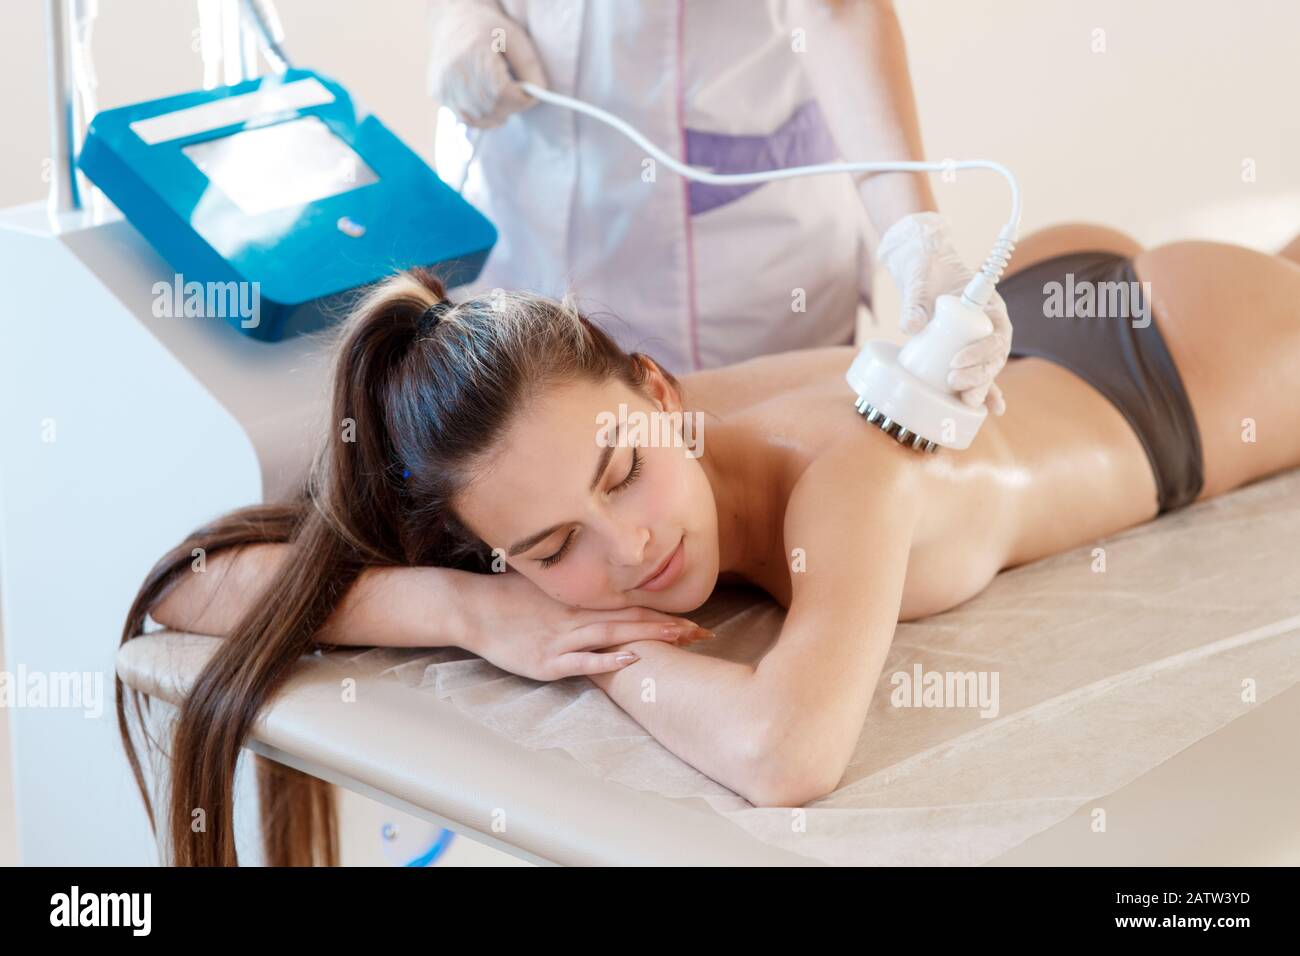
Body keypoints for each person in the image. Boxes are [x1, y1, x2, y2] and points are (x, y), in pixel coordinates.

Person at [120, 218, 1300, 864]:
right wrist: (477, 614)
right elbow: (194, 583)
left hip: (1202, 363)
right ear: (488, 548)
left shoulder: (845, 482)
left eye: (623, 469)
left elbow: (786, 753)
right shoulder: (558, 491)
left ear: (651, 383)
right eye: (547, 545)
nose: (628, 548)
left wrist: (591, 640)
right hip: (1055, 295)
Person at [427, 0, 1013, 413]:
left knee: (743, 499)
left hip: (741, 285)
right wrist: (459, 11)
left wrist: (915, 235)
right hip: (515, 220)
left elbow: (839, 8)